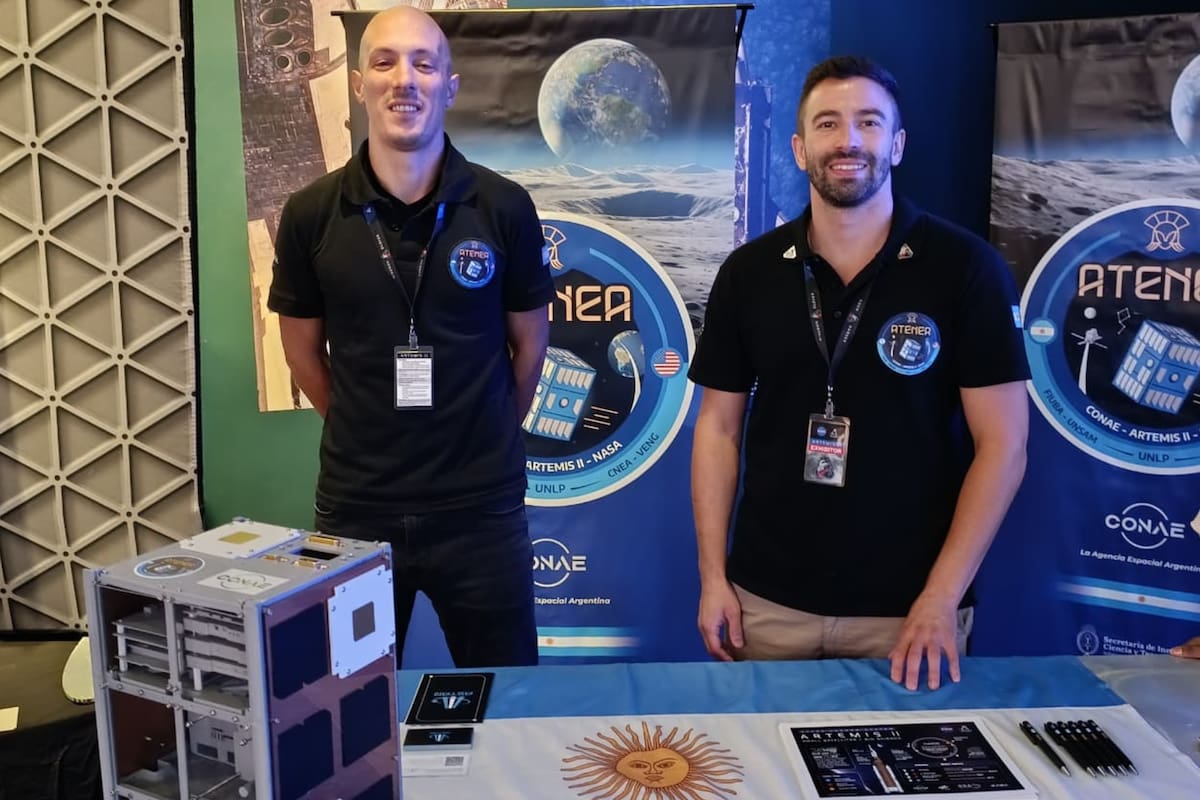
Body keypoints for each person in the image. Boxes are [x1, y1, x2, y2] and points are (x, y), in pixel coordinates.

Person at [688, 55, 1029, 690]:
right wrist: (714, 578)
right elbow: (717, 432)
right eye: (827, 124)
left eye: (868, 123)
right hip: (768, 603)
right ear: (798, 148)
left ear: (896, 145)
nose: (847, 141)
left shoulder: (964, 268)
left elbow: (1004, 447)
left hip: (909, 612)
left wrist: (940, 598)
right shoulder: (749, 272)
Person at [268, 5, 551, 667]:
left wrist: (491, 433)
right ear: (360, 83)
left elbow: (530, 345)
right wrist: (358, 425)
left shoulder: (504, 207)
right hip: (356, 511)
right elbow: (301, 350)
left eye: (425, 64)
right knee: (348, 707)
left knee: (506, 701)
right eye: (387, 62)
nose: (406, 80)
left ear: (449, 86)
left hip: (482, 511)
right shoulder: (311, 214)